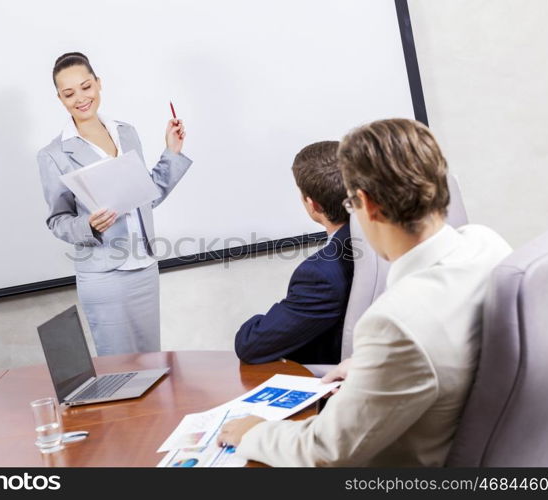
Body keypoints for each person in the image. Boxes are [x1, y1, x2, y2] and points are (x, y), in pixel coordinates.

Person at [218, 118, 512, 466]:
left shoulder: (394, 321)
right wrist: (374, 365)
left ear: (366, 205)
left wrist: (252, 432)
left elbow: (326, 451)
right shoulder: (486, 244)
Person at [37, 52, 192, 355]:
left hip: (145, 267)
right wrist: (88, 226)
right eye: (69, 94)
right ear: (60, 98)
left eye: (86, 87)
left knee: (153, 364)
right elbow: (58, 220)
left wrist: (172, 152)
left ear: (98, 83)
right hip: (103, 275)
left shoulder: (126, 132)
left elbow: (147, 196)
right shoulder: (53, 154)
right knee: (120, 368)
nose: (80, 98)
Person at [234, 141, 353, 365]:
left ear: (313, 204)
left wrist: (262, 320)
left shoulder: (322, 274)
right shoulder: (381, 242)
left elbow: (251, 344)